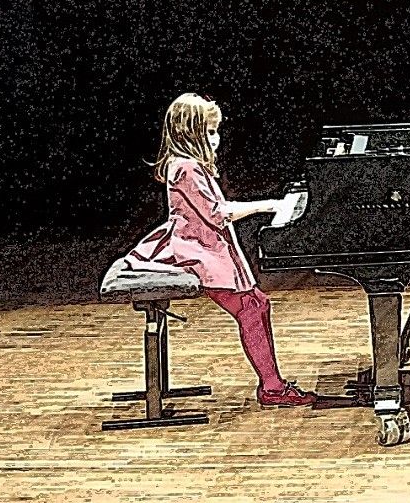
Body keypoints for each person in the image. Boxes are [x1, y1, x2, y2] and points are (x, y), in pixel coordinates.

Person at [120, 92, 316, 407]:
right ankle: (272, 388)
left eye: (217, 130)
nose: (216, 138)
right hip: (199, 250)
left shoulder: (190, 165)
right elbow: (217, 213)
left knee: (258, 305)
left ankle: (273, 384)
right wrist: (269, 205)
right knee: (251, 309)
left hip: (209, 244)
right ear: (190, 133)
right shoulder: (186, 168)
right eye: (210, 131)